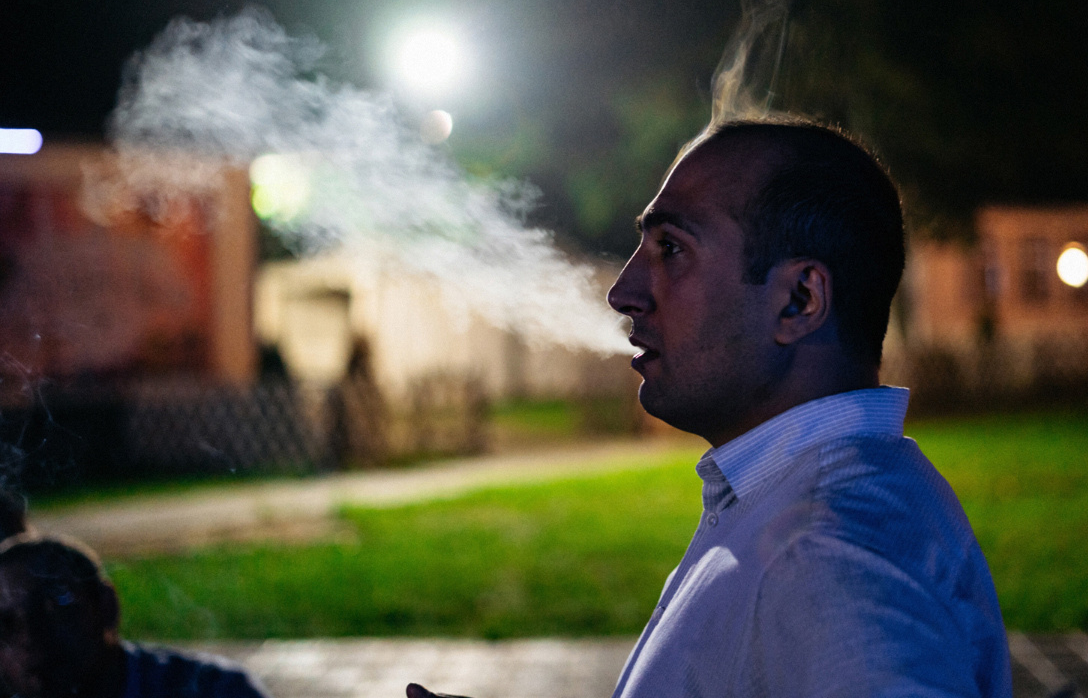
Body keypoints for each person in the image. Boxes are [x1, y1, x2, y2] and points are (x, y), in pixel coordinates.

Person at [409, 119, 1010, 698]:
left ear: (799, 300)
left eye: (671, 248)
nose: (623, 293)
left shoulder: (825, 551)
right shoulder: (814, 499)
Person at [0, 533, 271, 698]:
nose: (29, 638)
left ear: (106, 606)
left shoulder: (211, 689)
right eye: (6, 625)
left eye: (52, 610)